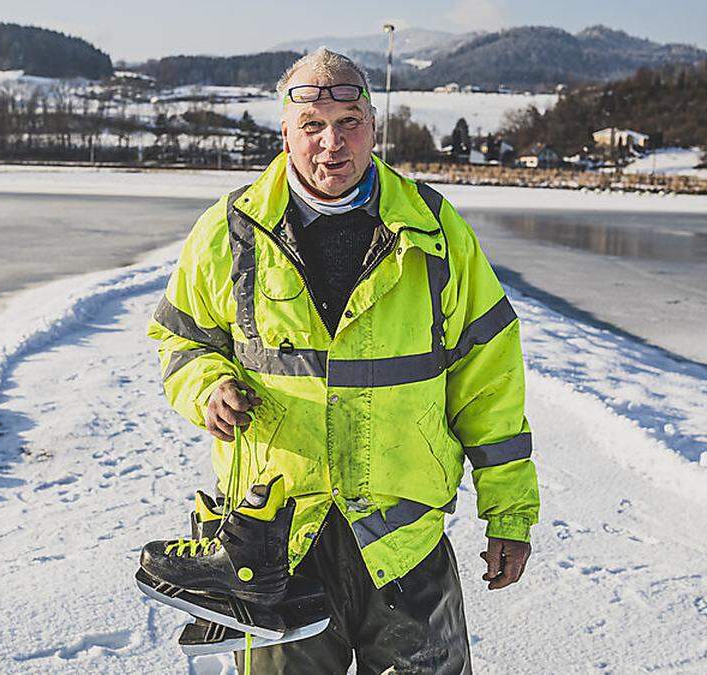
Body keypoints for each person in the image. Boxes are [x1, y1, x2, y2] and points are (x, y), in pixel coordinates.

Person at [146, 47, 539, 674]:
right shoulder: (230, 231)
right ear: (285, 132)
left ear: (373, 130)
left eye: (349, 124)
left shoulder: (435, 231)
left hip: (405, 543)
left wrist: (510, 514)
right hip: (276, 543)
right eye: (312, 127)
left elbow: (490, 385)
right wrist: (208, 385)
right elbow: (180, 342)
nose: (332, 144)